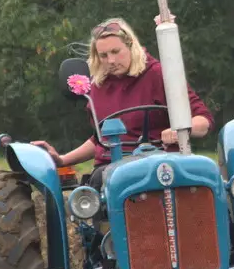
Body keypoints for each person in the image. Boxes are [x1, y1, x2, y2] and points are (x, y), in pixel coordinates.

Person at [33, 17, 212, 182]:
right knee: (95, 186)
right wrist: (62, 160)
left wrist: (180, 129)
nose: (111, 60)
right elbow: (100, 140)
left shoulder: (159, 74)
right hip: (111, 168)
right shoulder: (97, 86)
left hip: (163, 162)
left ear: (131, 46)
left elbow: (203, 120)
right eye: (103, 55)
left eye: (116, 51)